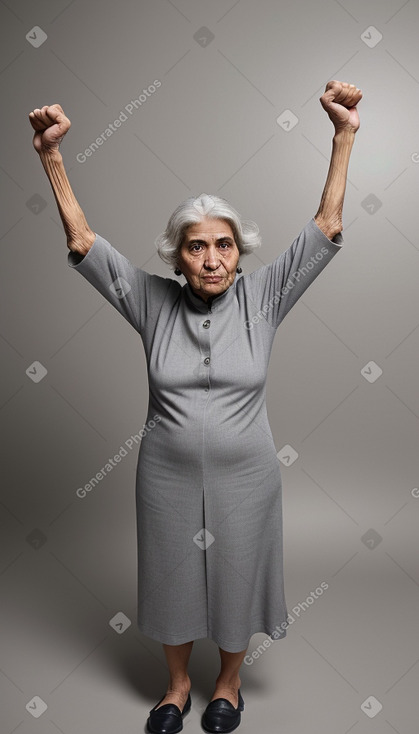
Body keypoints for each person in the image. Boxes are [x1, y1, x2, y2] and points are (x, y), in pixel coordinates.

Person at [28, 79, 362, 734]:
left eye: (224, 245)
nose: (211, 258)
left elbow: (326, 225)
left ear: (240, 253)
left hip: (248, 478)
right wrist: (51, 156)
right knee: (171, 579)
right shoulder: (150, 301)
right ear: (177, 258)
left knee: (237, 576)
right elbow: (83, 241)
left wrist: (343, 134)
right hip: (166, 477)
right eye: (196, 246)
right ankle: (177, 687)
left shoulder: (264, 299)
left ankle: (228, 687)